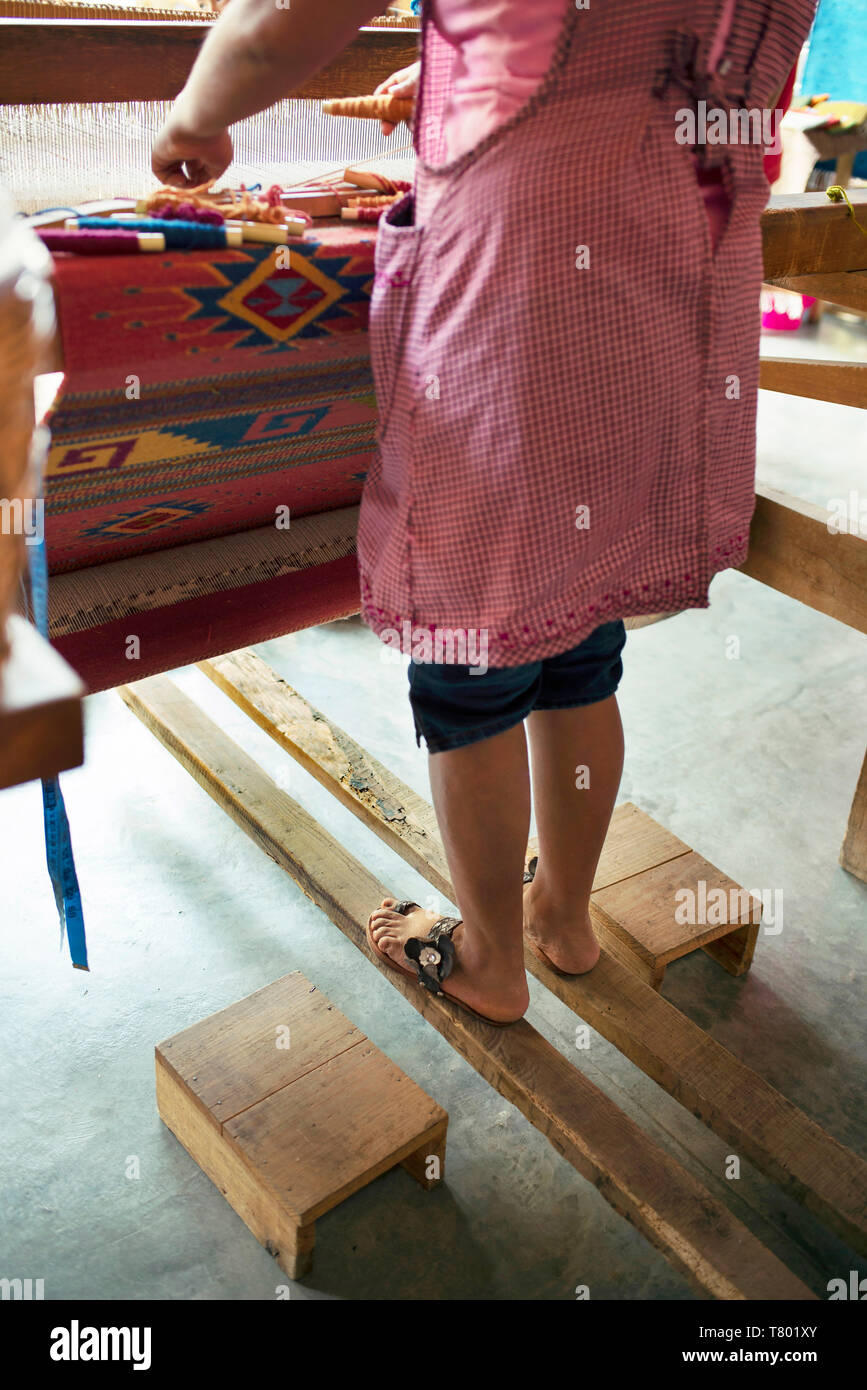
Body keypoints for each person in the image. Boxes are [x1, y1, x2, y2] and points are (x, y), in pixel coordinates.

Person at [153, 0, 816, 1026]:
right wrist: (478, 80)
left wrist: (195, 118)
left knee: (474, 648)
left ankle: (490, 959)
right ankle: (563, 917)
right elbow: (662, 78)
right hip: (674, 268)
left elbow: (281, 21)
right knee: (581, 626)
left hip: (522, 279)